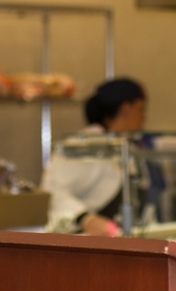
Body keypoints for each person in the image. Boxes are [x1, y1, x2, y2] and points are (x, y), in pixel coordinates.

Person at [41, 77, 152, 237]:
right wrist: (85, 219)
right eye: (141, 109)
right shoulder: (85, 146)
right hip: (89, 244)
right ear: (126, 108)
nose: (144, 118)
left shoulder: (125, 145)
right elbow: (52, 191)